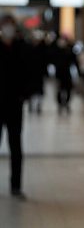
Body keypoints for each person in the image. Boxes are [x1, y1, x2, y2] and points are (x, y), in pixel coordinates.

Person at [0, 15, 29, 200]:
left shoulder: (21, 48)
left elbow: (29, 72)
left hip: (14, 106)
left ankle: (16, 185)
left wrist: (23, 94)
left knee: (16, 147)